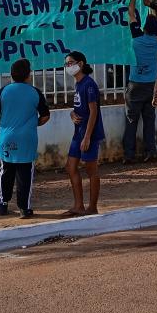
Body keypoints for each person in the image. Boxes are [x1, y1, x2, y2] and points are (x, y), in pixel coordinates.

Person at [0, 58, 51, 217]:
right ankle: (25, 208)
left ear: (12, 74)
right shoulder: (35, 92)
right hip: (27, 139)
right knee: (25, 175)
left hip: (7, 139)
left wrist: (7, 124)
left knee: (5, 172)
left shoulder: (3, 91)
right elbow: (45, 116)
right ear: (28, 75)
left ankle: (2, 205)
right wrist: (32, 124)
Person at [123, 0, 157, 164]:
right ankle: (151, 151)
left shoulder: (137, 37)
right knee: (149, 120)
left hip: (135, 83)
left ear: (144, 26)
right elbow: (155, 16)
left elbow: (131, 13)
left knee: (131, 120)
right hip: (151, 85)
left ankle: (129, 155)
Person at [63, 51, 104, 216]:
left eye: (70, 63)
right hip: (78, 132)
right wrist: (72, 114)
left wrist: (87, 136)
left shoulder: (89, 84)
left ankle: (92, 207)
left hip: (89, 134)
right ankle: (78, 205)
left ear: (80, 64)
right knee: (71, 166)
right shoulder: (78, 84)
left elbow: (93, 111)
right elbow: (81, 108)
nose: (68, 66)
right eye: (66, 64)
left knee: (91, 170)